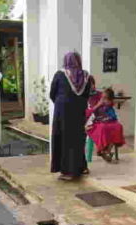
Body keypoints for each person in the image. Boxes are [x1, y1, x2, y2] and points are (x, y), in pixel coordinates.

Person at [50, 52, 92, 181]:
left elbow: (52, 93)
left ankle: (68, 172)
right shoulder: (86, 76)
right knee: (77, 139)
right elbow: (87, 94)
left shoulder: (60, 74)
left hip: (62, 112)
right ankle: (81, 167)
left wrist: (60, 103)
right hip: (79, 111)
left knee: (64, 140)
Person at [85, 87, 125, 163]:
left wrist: (107, 107)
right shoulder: (84, 97)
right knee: (103, 128)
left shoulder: (103, 98)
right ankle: (104, 150)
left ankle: (106, 151)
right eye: (102, 98)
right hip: (94, 122)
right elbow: (88, 114)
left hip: (108, 122)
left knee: (118, 127)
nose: (103, 99)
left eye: (105, 98)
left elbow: (113, 115)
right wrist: (98, 105)